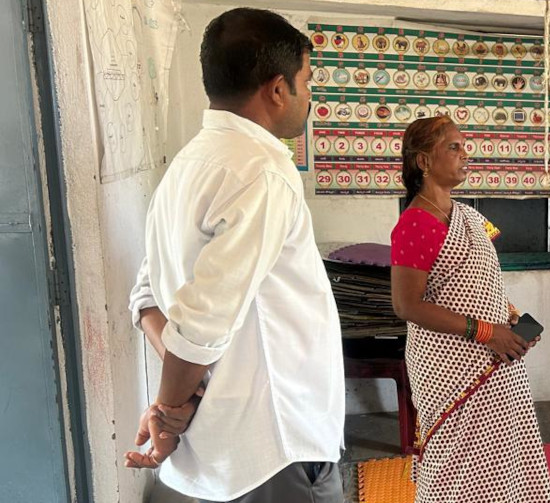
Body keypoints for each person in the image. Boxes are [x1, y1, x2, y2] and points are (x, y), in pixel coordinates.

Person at [124, 8, 345, 502]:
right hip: (274, 441)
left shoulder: (185, 167)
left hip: (226, 443)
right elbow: (199, 326)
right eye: (306, 82)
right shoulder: (262, 172)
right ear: (277, 89)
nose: (309, 96)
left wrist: (176, 400)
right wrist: (169, 411)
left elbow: (147, 297)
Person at [390, 116, 550, 502]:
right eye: (454, 147)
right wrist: (488, 332)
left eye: (464, 146)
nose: (466, 155)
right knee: (455, 472)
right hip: (449, 370)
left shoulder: (471, 218)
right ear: (423, 161)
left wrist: (511, 318)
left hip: (497, 363)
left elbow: (481, 281)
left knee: (502, 465)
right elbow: (406, 304)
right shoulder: (414, 225)